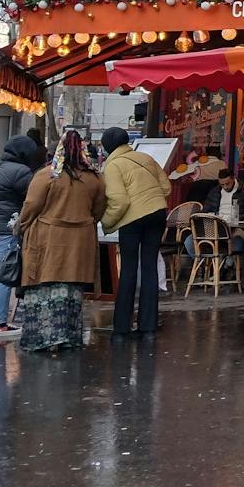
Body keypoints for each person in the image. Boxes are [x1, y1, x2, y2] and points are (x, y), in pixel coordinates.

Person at [14, 131, 104, 353]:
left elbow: (31, 206)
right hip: (80, 241)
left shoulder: (47, 175)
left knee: (43, 285)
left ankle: (41, 338)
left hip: (47, 239)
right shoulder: (94, 178)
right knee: (72, 288)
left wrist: (21, 226)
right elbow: (98, 210)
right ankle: (68, 336)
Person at [101, 125, 172, 337]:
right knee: (150, 268)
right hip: (157, 215)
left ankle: (122, 327)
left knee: (129, 270)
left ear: (107, 146)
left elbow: (119, 201)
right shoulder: (146, 158)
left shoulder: (112, 165)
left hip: (132, 220)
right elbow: (166, 188)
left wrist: (106, 223)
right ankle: (148, 325)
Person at [0, 135, 41, 340]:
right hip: (6, 228)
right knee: (4, 274)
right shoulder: (21, 172)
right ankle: (0, 325)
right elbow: (32, 199)